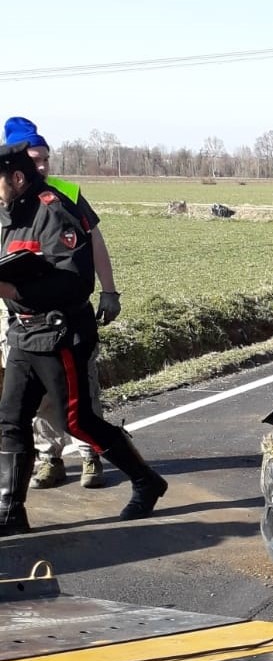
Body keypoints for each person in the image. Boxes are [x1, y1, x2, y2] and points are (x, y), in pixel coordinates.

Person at [0, 142, 167, 536]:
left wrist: (11, 290)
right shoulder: (9, 212)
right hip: (24, 333)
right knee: (10, 420)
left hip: (61, 334)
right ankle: (10, 511)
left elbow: (74, 281)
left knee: (77, 421)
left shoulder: (53, 208)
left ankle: (146, 481)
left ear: (17, 177)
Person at [2, 117, 118, 491]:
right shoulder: (7, 200)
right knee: (25, 404)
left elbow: (93, 243)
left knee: (80, 392)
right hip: (19, 320)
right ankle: (48, 457)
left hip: (63, 319)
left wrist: (109, 290)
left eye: (45, 159)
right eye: (34, 159)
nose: (41, 167)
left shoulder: (63, 194)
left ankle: (91, 456)